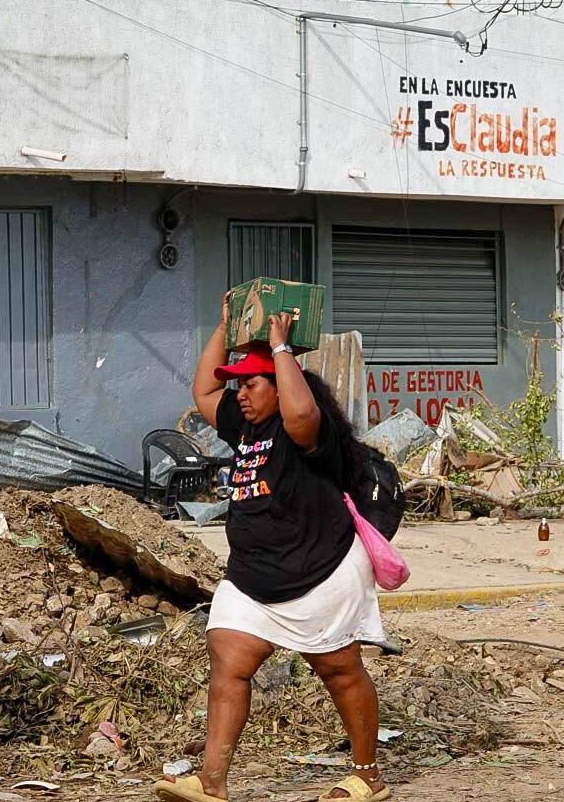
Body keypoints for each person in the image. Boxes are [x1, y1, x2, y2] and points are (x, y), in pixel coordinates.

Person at [156, 299, 390, 802]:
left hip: (319, 574)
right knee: (228, 661)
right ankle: (212, 781)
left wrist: (281, 346)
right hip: (253, 580)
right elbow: (203, 390)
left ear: (279, 384)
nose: (240, 393)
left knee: (340, 670)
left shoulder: (306, 430)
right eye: (239, 384)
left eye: (251, 383)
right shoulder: (246, 427)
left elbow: (301, 407)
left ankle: (367, 775)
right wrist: (223, 325)